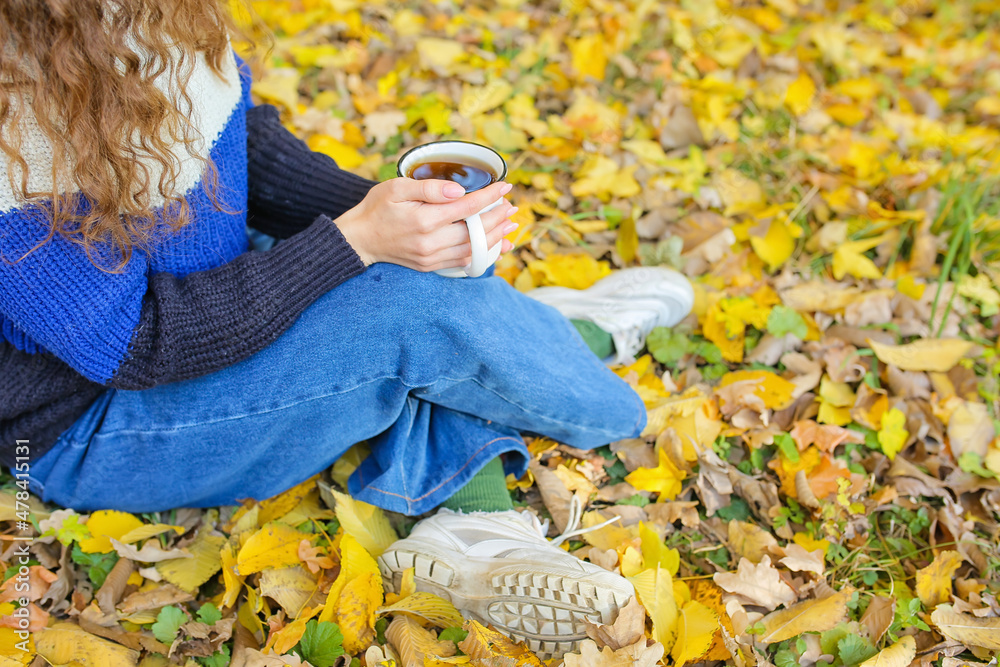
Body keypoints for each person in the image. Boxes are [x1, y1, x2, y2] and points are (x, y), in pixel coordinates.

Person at [0, 0, 692, 659]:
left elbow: (239, 141)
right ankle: (586, 362)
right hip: (90, 421)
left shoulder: (137, 15)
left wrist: (390, 214)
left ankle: (470, 526)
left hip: (211, 289)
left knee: (425, 270)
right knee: (415, 309)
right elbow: (135, 339)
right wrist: (356, 240)